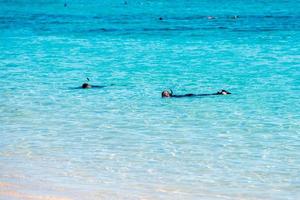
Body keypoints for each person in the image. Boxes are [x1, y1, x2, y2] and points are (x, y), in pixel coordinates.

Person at [161, 89, 231, 98]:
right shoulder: (172, 97)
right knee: (205, 95)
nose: (165, 94)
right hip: (188, 96)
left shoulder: (172, 97)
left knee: (205, 95)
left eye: (166, 93)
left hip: (189, 96)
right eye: (164, 94)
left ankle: (221, 93)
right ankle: (219, 93)